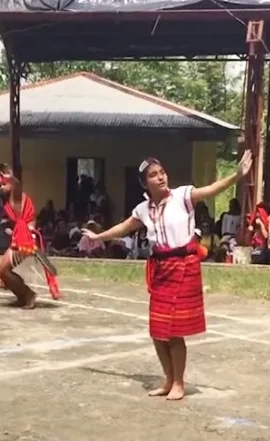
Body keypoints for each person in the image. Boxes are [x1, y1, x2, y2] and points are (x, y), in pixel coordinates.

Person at [82, 151, 252, 400]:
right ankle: (168, 379)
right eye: (153, 175)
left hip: (184, 266)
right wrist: (98, 237)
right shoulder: (143, 209)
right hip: (161, 269)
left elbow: (211, 189)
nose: (160, 178)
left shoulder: (183, 196)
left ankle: (179, 382)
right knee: (158, 330)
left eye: (161, 172)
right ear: (144, 183)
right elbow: (123, 227)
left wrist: (236, 176)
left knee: (174, 330)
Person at [0, 167, 61, 308]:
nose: (1, 188)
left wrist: (12, 178)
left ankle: (27, 294)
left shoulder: (16, 195)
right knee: (3, 271)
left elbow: (18, 185)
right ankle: (23, 295)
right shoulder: (13, 199)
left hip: (26, 239)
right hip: (22, 237)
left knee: (4, 271)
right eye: (0, 185)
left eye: (3, 184)